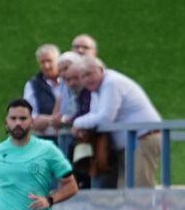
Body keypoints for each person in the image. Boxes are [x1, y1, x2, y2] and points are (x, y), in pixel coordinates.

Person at [65, 56, 163, 188]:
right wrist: (83, 123)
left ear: (100, 70)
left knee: (140, 189)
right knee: (126, 189)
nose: (86, 80)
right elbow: (94, 115)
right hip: (131, 142)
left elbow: (105, 118)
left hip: (143, 138)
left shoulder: (111, 83)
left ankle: (149, 209)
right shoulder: (96, 88)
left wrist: (78, 123)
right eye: (82, 77)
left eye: (89, 74)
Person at [24, 44, 68, 143]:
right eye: (42, 62)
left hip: (69, 136)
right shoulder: (32, 85)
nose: (46, 66)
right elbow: (30, 118)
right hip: (45, 139)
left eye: (49, 61)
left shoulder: (69, 81)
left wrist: (47, 119)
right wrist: (54, 120)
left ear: (59, 61)